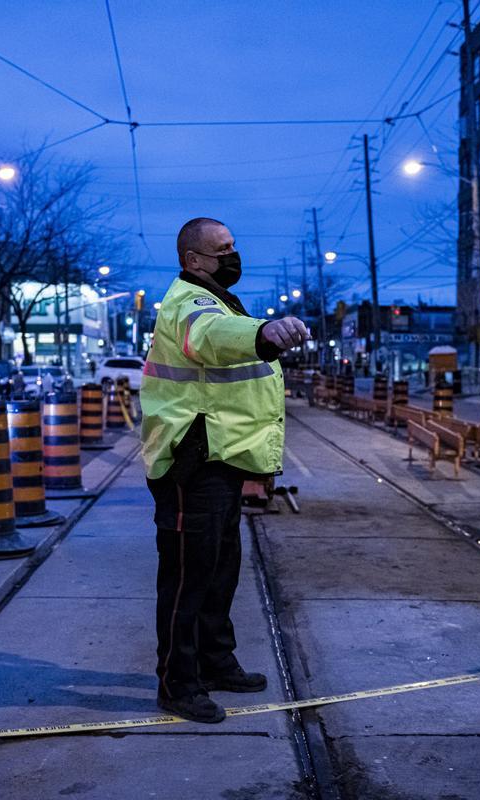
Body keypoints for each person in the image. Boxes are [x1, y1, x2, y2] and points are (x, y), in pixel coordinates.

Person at [140, 217, 309, 723]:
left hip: (221, 459)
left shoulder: (216, 299)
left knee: (219, 570)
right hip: (193, 462)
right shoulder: (189, 304)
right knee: (188, 577)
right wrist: (263, 332)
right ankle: (178, 683)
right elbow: (210, 338)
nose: (233, 255)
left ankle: (215, 662)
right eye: (223, 249)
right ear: (194, 260)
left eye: (234, 245)